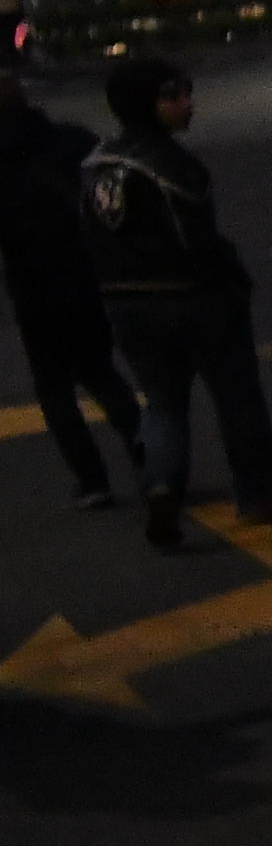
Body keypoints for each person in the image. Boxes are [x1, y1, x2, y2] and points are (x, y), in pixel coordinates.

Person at [80, 51, 272, 547]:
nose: (188, 104)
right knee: (236, 396)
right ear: (147, 105)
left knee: (163, 403)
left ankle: (162, 485)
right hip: (193, 299)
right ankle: (256, 494)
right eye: (174, 96)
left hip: (126, 304)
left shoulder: (94, 164)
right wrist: (233, 282)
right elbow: (198, 241)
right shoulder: (172, 165)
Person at [0, 46, 148, 506]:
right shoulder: (70, 141)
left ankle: (92, 481)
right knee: (101, 370)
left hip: (32, 283)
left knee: (54, 385)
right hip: (83, 272)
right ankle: (149, 461)